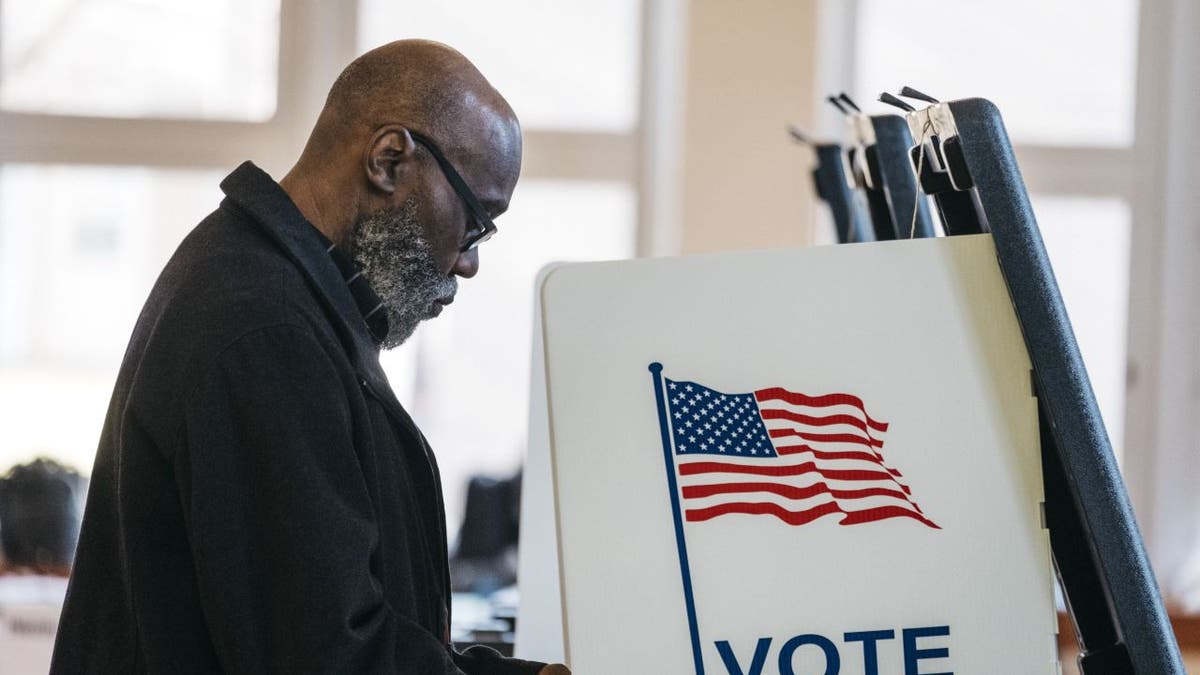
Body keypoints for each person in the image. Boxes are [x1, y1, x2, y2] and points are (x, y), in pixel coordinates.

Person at [51, 40, 569, 675]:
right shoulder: (264, 327)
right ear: (388, 159)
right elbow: (328, 660)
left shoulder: (272, 291)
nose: (468, 259)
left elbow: (344, 623)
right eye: (475, 219)